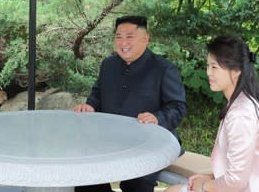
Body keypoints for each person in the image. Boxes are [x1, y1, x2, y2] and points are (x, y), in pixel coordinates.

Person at [74, 15, 187, 192]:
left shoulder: (164, 69)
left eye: (129, 36)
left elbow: (178, 107)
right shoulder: (108, 65)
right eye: (118, 37)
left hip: (151, 143)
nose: (123, 42)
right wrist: (90, 106)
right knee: (86, 177)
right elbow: (97, 93)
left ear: (146, 38)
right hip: (109, 140)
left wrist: (157, 118)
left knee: (136, 181)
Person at [165, 35, 259, 192]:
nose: (208, 72)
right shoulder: (240, 101)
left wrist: (204, 186)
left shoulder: (241, 113)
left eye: (214, 67)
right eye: (208, 66)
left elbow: (236, 181)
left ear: (236, 70)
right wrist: (210, 177)